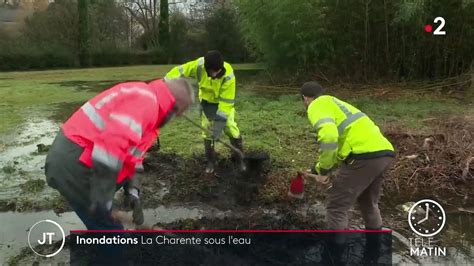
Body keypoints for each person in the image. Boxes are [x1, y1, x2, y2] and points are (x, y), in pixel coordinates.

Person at [45, 78, 194, 230]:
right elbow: (110, 148)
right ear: (173, 106)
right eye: (178, 113)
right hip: (75, 164)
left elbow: (133, 158)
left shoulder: (149, 106)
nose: (176, 118)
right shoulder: (145, 101)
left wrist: (133, 191)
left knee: (104, 230)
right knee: (114, 236)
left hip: (76, 163)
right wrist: (104, 201)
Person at [300, 81, 395, 231]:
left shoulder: (316, 105)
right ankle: (375, 247)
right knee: (368, 203)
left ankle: (334, 251)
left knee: (336, 207)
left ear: (306, 98)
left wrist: (324, 170)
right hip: (384, 153)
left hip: (362, 156)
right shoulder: (335, 103)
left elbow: (330, 137)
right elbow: (343, 144)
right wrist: (318, 168)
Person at [165, 50, 243, 174]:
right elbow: (179, 71)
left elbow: (226, 103)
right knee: (207, 131)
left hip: (222, 104)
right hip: (207, 102)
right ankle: (211, 161)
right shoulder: (198, 66)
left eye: (217, 72)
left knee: (230, 127)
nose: (215, 75)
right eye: (212, 72)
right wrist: (166, 82)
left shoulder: (228, 75)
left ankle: (239, 158)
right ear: (206, 68)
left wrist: (218, 126)